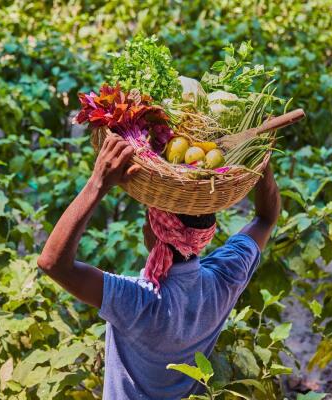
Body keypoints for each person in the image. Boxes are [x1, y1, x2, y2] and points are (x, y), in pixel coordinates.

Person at [37, 134, 281, 399]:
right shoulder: (223, 282)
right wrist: (260, 158)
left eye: (148, 215)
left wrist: (98, 183)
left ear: (153, 231)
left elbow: (53, 263)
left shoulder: (140, 302)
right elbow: (266, 218)